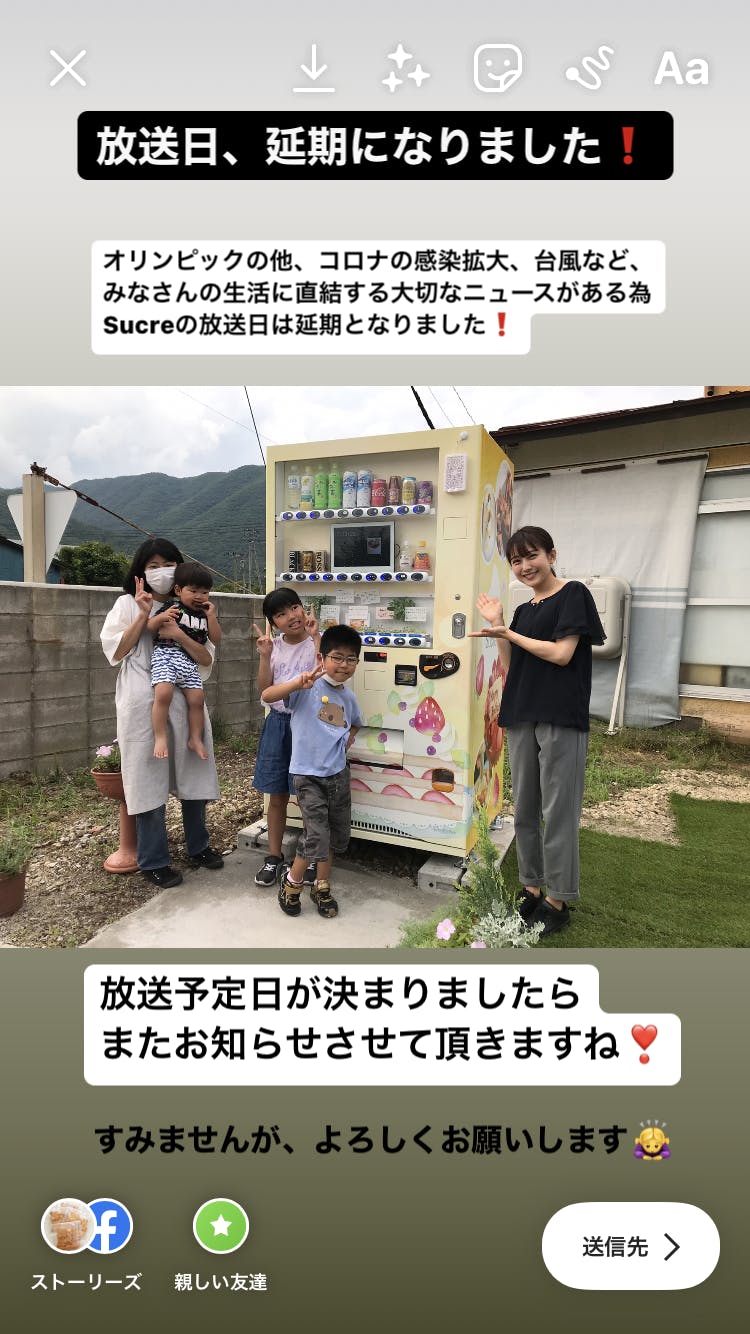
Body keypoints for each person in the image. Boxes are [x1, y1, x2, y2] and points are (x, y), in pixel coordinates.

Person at [470, 526, 605, 936]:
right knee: (525, 808)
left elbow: (562, 654)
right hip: (522, 713)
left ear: (551, 555)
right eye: (517, 560)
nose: (525, 566)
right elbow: (512, 665)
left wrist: (508, 632)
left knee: (558, 810)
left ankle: (557, 900)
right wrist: (500, 626)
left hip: (560, 715)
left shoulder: (573, 594)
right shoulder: (524, 610)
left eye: (532, 556)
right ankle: (531, 887)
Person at [100, 537, 224, 889]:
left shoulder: (192, 606)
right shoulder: (126, 603)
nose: (161, 572)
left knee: (194, 770)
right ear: (140, 571)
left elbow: (206, 657)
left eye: (168, 565)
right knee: (147, 778)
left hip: (185, 698)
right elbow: (117, 651)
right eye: (152, 566)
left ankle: (198, 846)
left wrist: (178, 634)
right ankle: (153, 860)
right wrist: (144, 614)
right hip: (143, 701)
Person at [260, 625, 363, 920]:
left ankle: (321, 885)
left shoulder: (349, 697)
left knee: (334, 834)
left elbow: (356, 723)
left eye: (351, 659)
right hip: (307, 775)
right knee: (316, 833)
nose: (344, 665)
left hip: (338, 774)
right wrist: (297, 683)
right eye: (337, 657)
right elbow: (267, 694)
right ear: (321, 657)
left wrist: (345, 741)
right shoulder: (306, 689)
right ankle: (292, 883)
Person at [251, 589, 320, 886]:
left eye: (294, 607)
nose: (291, 616)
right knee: (277, 795)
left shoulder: (317, 641)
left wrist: (317, 639)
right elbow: (264, 688)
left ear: (303, 608)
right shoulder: (273, 647)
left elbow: (326, 677)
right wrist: (265, 656)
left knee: (309, 798)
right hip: (277, 725)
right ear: (273, 623)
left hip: (308, 727)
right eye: (281, 614)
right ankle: (274, 856)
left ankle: (311, 857)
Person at [150, 561, 222, 762]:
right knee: (163, 694)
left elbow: (216, 638)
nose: (199, 596)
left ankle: (195, 739)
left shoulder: (204, 615)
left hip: (190, 663)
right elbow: (150, 627)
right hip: (166, 655)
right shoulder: (173, 607)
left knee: (197, 700)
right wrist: (161, 618)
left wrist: (212, 616)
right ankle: (160, 737)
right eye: (193, 591)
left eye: (205, 592)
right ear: (178, 590)